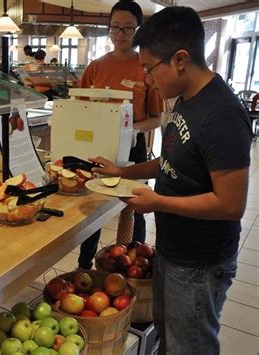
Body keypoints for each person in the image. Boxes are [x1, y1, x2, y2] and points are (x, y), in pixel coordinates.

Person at [89, 7, 252, 354]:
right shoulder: (186, 102)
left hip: (199, 262)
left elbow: (231, 205)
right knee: (168, 335)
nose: (147, 80)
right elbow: (172, 161)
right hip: (174, 250)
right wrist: (122, 171)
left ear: (179, 59)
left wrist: (157, 202)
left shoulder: (222, 114)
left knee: (189, 345)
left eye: (149, 69)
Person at [77, 0, 163, 270]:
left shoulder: (146, 67)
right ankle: (84, 264)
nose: (121, 33)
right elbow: (81, 108)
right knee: (93, 208)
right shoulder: (95, 66)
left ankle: (133, 264)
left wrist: (134, 129)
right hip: (99, 149)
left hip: (133, 150)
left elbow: (156, 118)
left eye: (128, 28)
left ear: (138, 30)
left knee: (134, 207)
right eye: (115, 27)